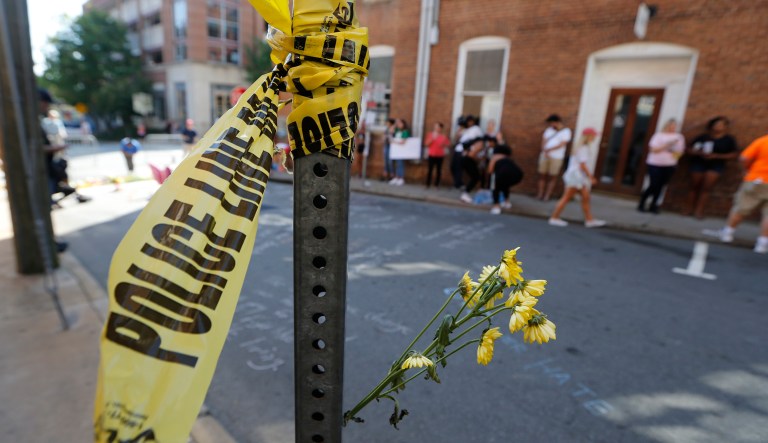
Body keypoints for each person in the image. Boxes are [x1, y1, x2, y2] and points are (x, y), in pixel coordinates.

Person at [705, 133, 768, 253]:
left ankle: (728, 233)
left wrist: (747, 170)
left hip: (758, 179)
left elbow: (744, 158)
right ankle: (762, 243)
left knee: (741, 208)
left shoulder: (764, 140)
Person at [548, 128, 606, 227]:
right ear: (589, 136)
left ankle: (589, 220)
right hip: (576, 176)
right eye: (593, 135)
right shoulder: (583, 148)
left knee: (585, 197)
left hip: (576, 176)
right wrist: (591, 177)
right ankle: (554, 217)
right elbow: (582, 165)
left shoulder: (581, 147)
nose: (595, 137)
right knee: (567, 197)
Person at [684, 116, 739, 218]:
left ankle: (699, 211)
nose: (718, 127)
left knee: (706, 188)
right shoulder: (703, 137)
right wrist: (698, 153)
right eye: (716, 124)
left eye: (722, 125)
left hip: (716, 165)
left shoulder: (729, 139)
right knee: (694, 186)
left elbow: (734, 154)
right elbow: (689, 149)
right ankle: (688, 209)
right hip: (699, 163)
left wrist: (717, 156)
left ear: (726, 127)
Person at [638, 119, 685, 214]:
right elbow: (653, 150)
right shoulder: (658, 135)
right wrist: (668, 145)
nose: (672, 128)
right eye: (671, 125)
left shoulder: (679, 137)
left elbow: (680, 152)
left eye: (674, 126)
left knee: (661, 186)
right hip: (655, 164)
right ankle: (642, 202)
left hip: (669, 164)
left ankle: (653, 205)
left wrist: (675, 151)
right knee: (654, 184)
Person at [537, 114, 572, 201]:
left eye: (552, 123)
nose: (551, 125)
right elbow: (543, 141)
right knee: (542, 175)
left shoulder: (566, 131)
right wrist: (544, 151)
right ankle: (540, 194)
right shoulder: (548, 130)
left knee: (553, 176)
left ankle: (547, 196)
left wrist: (549, 150)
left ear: (557, 122)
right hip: (545, 155)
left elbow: (562, 144)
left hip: (557, 157)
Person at [487, 144, 523, 214]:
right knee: (505, 185)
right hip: (517, 174)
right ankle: (507, 202)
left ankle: (496, 206)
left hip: (502, 173)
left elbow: (490, 170)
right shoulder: (507, 157)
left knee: (495, 187)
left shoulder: (495, 156)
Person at [458, 115, 485, 203]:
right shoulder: (480, 143)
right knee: (475, 177)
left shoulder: (474, 142)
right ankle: (465, 194)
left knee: (475, 176)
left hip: (465, 159)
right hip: (467, 159)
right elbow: (472, 154)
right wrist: (478, 159)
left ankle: (468, 192)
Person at [424, 122, 450, 188]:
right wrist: (432, 139)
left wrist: (443, 144)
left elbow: (448, 144)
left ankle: (437, 184)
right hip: (432, 154)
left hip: (440, 155)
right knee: (430, 169)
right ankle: (428, 184)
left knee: (439, 170)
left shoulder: (443, 136)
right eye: (435, 127)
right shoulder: (430, 134)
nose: (436, 128)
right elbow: (426, 144)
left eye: (438, 127)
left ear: (441, 129)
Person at [389, 118, 410, 186]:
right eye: (399, 123)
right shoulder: (397, 130)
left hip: (401, 151)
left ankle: (401, 178)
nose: (399, 125)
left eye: (400, 123)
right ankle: (396, 177)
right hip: (395, 151)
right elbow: (391, 130)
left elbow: (403, 141)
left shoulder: (405, 131)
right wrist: (395, 124)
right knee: (395, 164)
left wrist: (394, 142)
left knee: (400, 164)